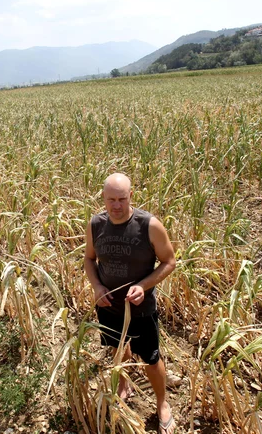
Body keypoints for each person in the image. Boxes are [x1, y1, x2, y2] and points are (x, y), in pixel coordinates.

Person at [84, 172, 177, 434]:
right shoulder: (96, 224)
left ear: (131, 196)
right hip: (108, 305)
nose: (116, 205)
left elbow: (170, 262)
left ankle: (162, 404)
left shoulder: (149, 225)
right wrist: (97, 287)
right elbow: (89, 259)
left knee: (150, 358)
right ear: (102, 198)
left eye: (122, 199)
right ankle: (124, 384)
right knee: (116, 347)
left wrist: (143, 286)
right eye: (110, 199)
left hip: (141, 309)